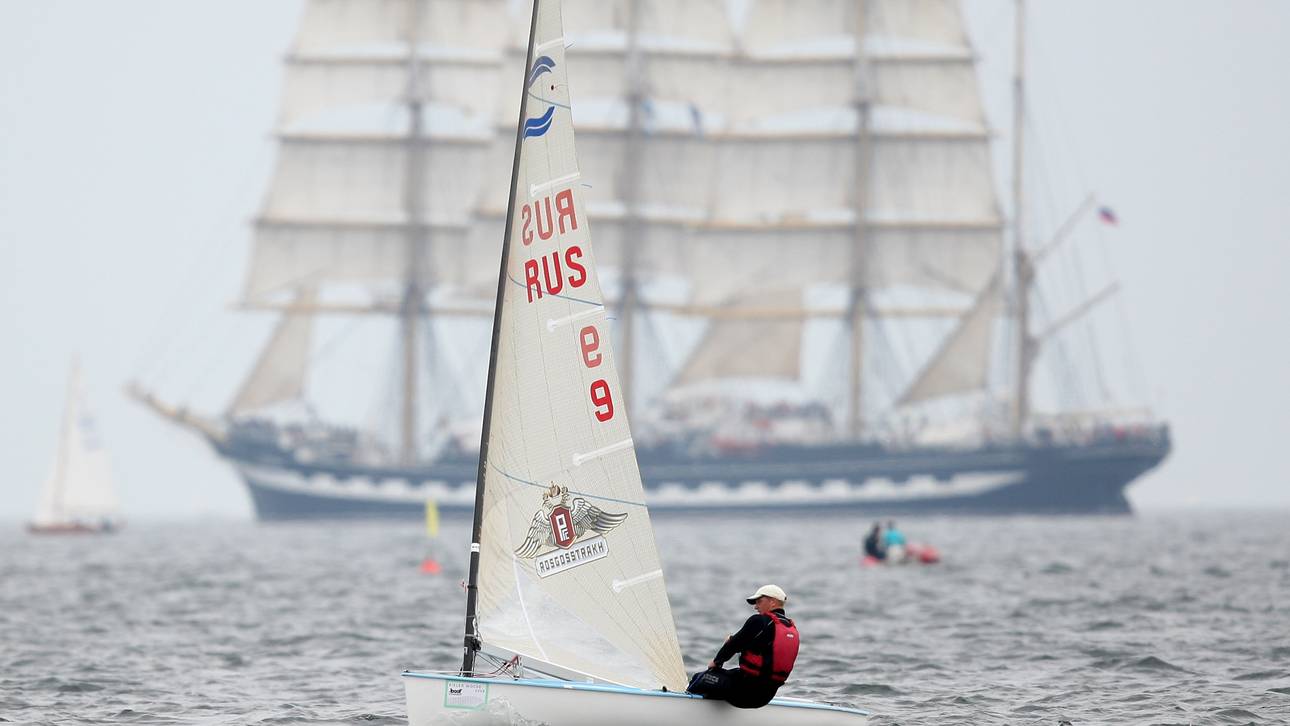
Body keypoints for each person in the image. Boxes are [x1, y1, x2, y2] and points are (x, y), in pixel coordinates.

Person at [686, 584, 799, 708]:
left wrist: (716, 662)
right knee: (728, 676)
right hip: (766, 696)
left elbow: (733, 645)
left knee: (702, 677)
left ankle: (685, 708)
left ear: (772, 602)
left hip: (744, 693)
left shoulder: (759, 621)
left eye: (759, 602)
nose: (756, 607)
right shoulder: (791, 629)